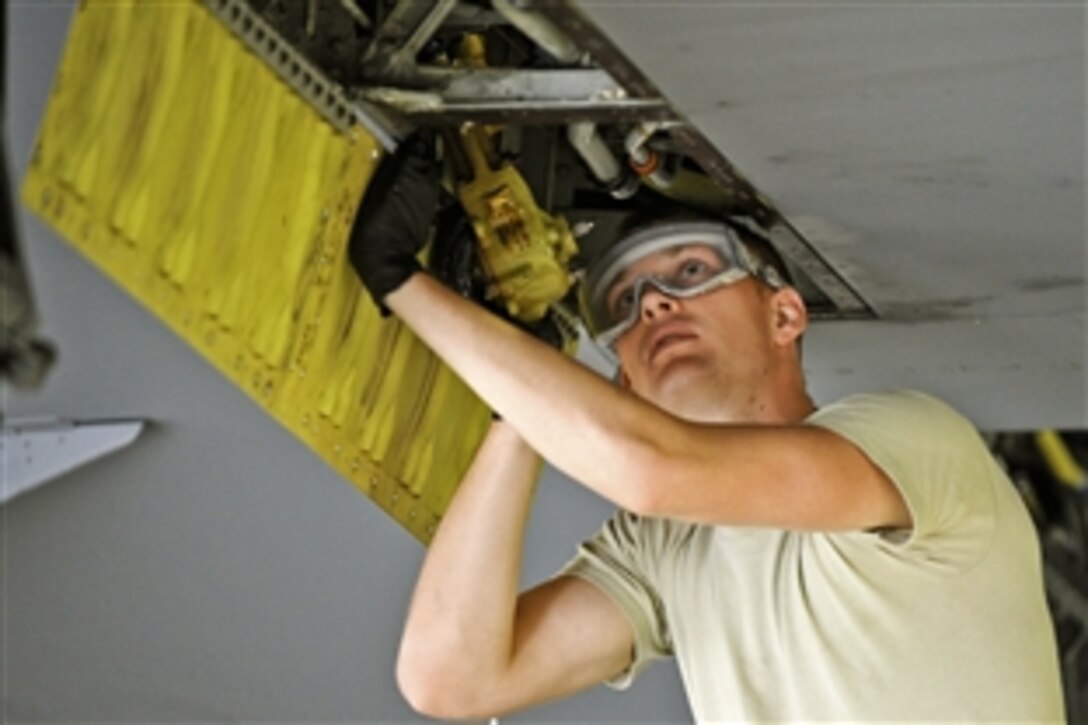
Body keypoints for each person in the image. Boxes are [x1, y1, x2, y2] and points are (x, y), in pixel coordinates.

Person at [348, 137, 1066, 721]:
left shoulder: (912, 437)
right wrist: (520, 407)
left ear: (785, 315)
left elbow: (653, 472)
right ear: (625, 380)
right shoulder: (668, 550)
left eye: (691, 270)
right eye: (627, 300)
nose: (656, 303)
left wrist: (401, 283)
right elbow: (450, 678)